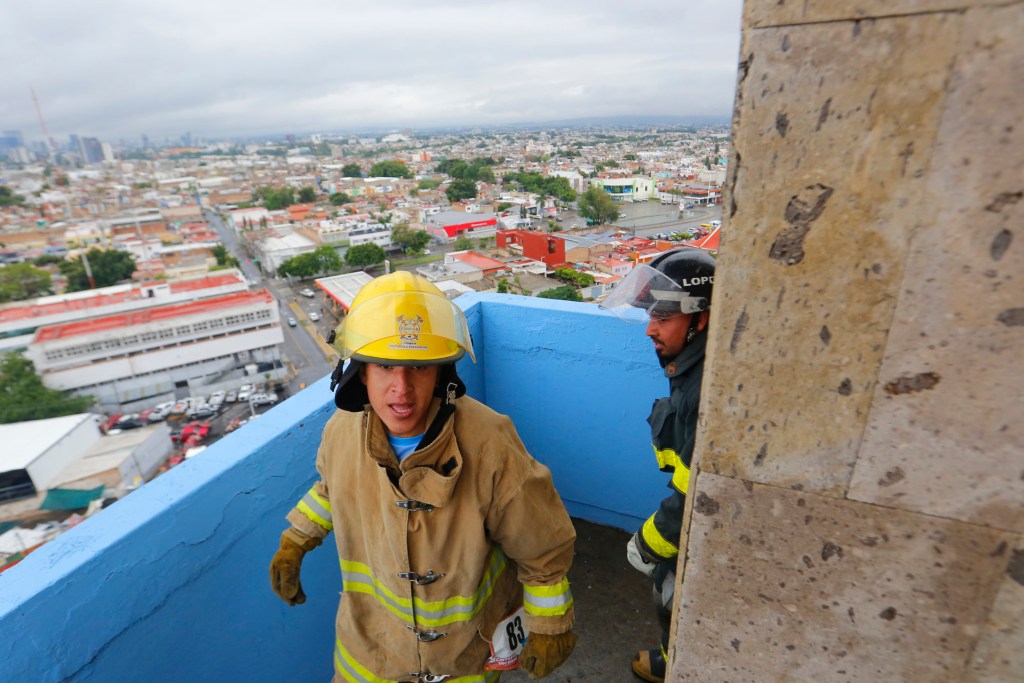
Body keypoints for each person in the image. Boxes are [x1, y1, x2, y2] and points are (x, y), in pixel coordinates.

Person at [269, 271, 578, 683]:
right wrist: (296, 541)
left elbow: (541, 546)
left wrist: (550, 625)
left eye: (418, 366)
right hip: (368, 654)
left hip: (460, 662)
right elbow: (330, 490)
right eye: (384, 366)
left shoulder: (489, 443)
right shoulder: (341, 432)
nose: (402, 388)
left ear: (441, 374)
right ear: (360, 372)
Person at [600, 247, 716, 683]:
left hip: (693, 525)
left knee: (671, 592)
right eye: (651, 315)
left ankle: (675, 665)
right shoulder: (692, 368)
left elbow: (696, 493)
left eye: (663, 318)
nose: (650, 329)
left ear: (700, 319)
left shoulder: (707, 387)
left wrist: (650, 543)